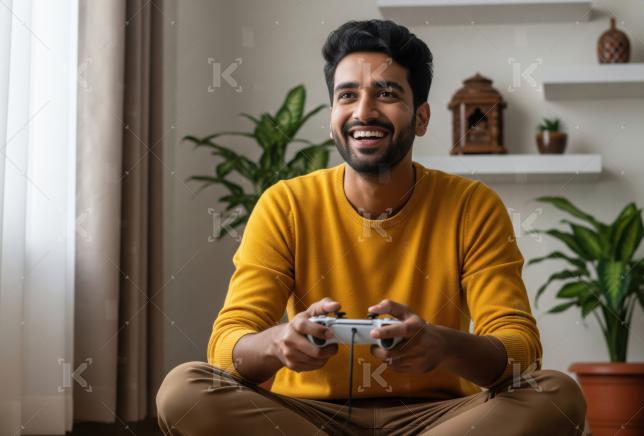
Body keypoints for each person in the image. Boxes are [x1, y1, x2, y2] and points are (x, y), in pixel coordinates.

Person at [156, 19, 586, 435]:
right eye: (347, 96)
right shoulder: (285, 204)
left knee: (557, 395)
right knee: (183, 390)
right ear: (332, 118)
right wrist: (279, 342)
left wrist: (442, 345)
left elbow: (520, 353)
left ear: (421, 117)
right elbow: (226, 346)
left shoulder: (472, 206)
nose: (364, 111)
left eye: (386, 94)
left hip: (438, 418)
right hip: (306, 418)